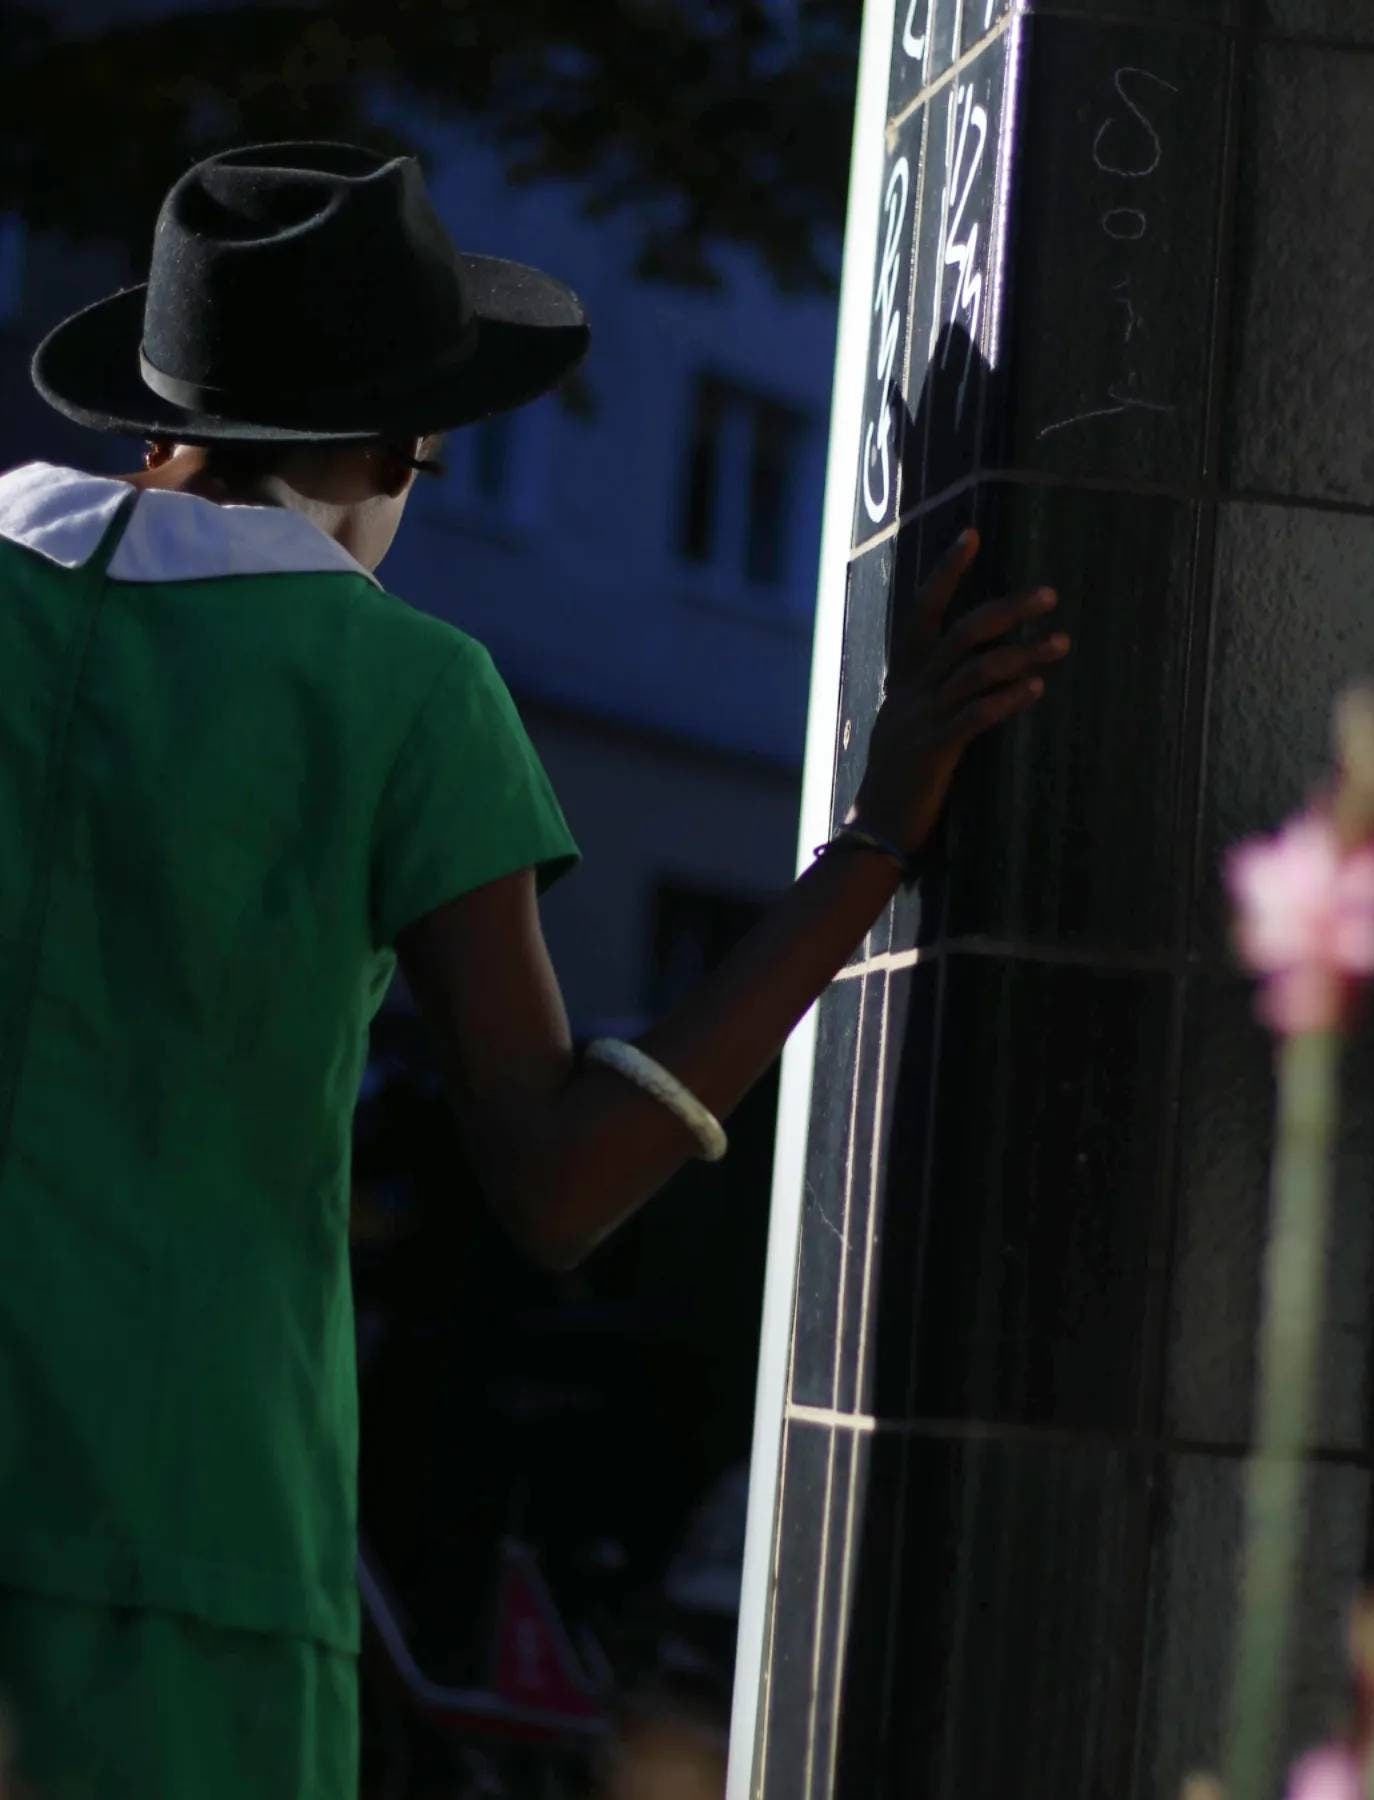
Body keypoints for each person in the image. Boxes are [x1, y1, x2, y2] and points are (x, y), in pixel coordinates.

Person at [0, 140, 1068, 1798]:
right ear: (386, 446)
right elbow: (563, 1179)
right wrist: (874, 838)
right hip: (185, 1548)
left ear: (160, 415)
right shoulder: (401, 688)